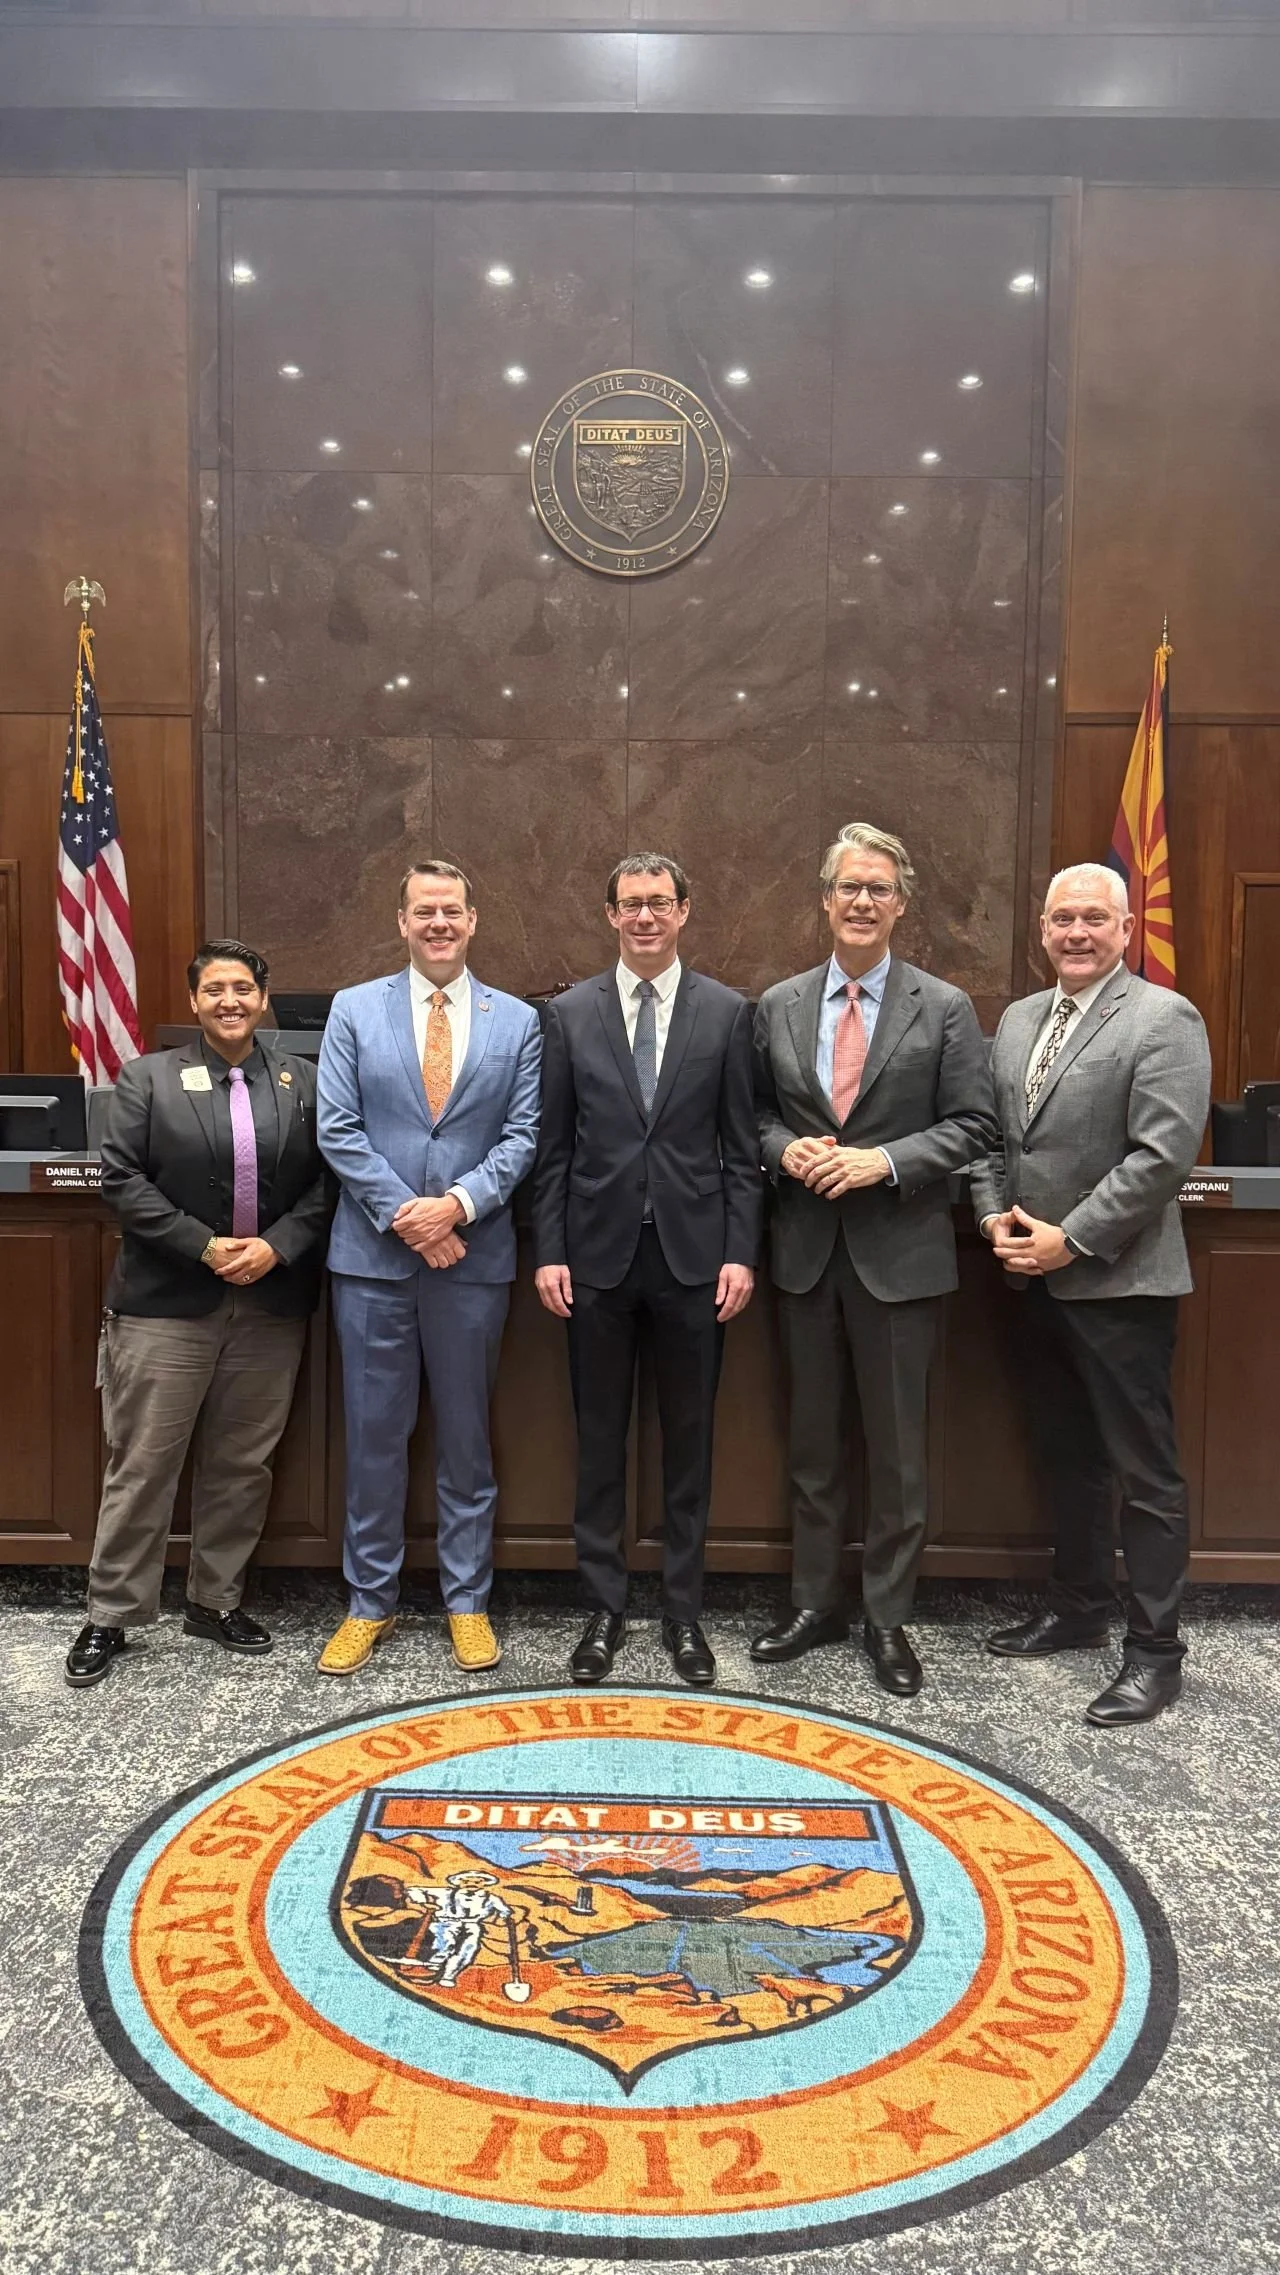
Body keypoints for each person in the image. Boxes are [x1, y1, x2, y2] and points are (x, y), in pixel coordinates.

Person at [751, 825, 997, 1697]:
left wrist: (884, 1161)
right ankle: (815, 1604)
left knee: (897, 1455)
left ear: (901, 904)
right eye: (849, 887)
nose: (862, 902)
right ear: (824, 898)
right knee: (813, 1448)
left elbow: (975, 1125)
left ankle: (888, 1618)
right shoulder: (777, 1003)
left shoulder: (947, 1006)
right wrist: (787, 1152)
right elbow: (751, 1119)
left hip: (902, 1255)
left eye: (879, 890)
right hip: (806, 1258)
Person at [972, 861, 1211, 1726]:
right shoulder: (1019, 1020)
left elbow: (1161, 1158)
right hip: (1028, 1278)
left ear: (1125, 929)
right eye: (1061, 918)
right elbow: (989, 1138)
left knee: (1145, 1472)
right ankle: (1077, 1607)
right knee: (1068, 1455)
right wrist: (997, 1218)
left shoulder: (1163, 1017)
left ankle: (1155, 1652)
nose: (1075, 932)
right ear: (1042, 930)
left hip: (1119, 1283)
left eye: (1092, 919)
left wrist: (1068, 1241)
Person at [65, 940, 333, 1688]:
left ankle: (215, 1600)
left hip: (270, 1302)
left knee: (241, 1463)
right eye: (214, 988)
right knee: (145, 1460)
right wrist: (208, 1246)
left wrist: (276, 1247)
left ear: (264, 995)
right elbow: (119, 1178)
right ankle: (111, 1613)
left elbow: (325, 1184)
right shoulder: (147, 1078)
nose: (229, 1000)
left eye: (242, 987)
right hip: (166, 1305)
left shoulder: (300, 1081)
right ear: (194, 1001)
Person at [532, 853, 760, 1689]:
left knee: (689, 1441)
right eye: (630, 904)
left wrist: (741, 1252)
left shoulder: (731, 1013)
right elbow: (552, 1150)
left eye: (659, 903)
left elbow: (742, 1151)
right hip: (593, 1260)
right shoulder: (566, 1015)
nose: (645, 917)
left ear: (685, 910)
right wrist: (548, 1249)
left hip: (697, 1262)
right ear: (609, 915)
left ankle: (683, 1611)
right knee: (599, 1439)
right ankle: (603, 1607)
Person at [316, 861, 540, 1676]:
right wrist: (409, 1215)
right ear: (401, 920)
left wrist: (456, 1206)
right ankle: (368, 1601)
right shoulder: (353, 1009)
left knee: (467, 1441)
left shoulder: (516, 1020)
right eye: (424, 911)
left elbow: (523, 1136)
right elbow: (338, 1128)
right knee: (375, 1438)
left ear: (473, 920)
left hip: (471, 1259)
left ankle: (467, 1601)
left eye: (452, 910)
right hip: (374, 1262)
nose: (438, 923)